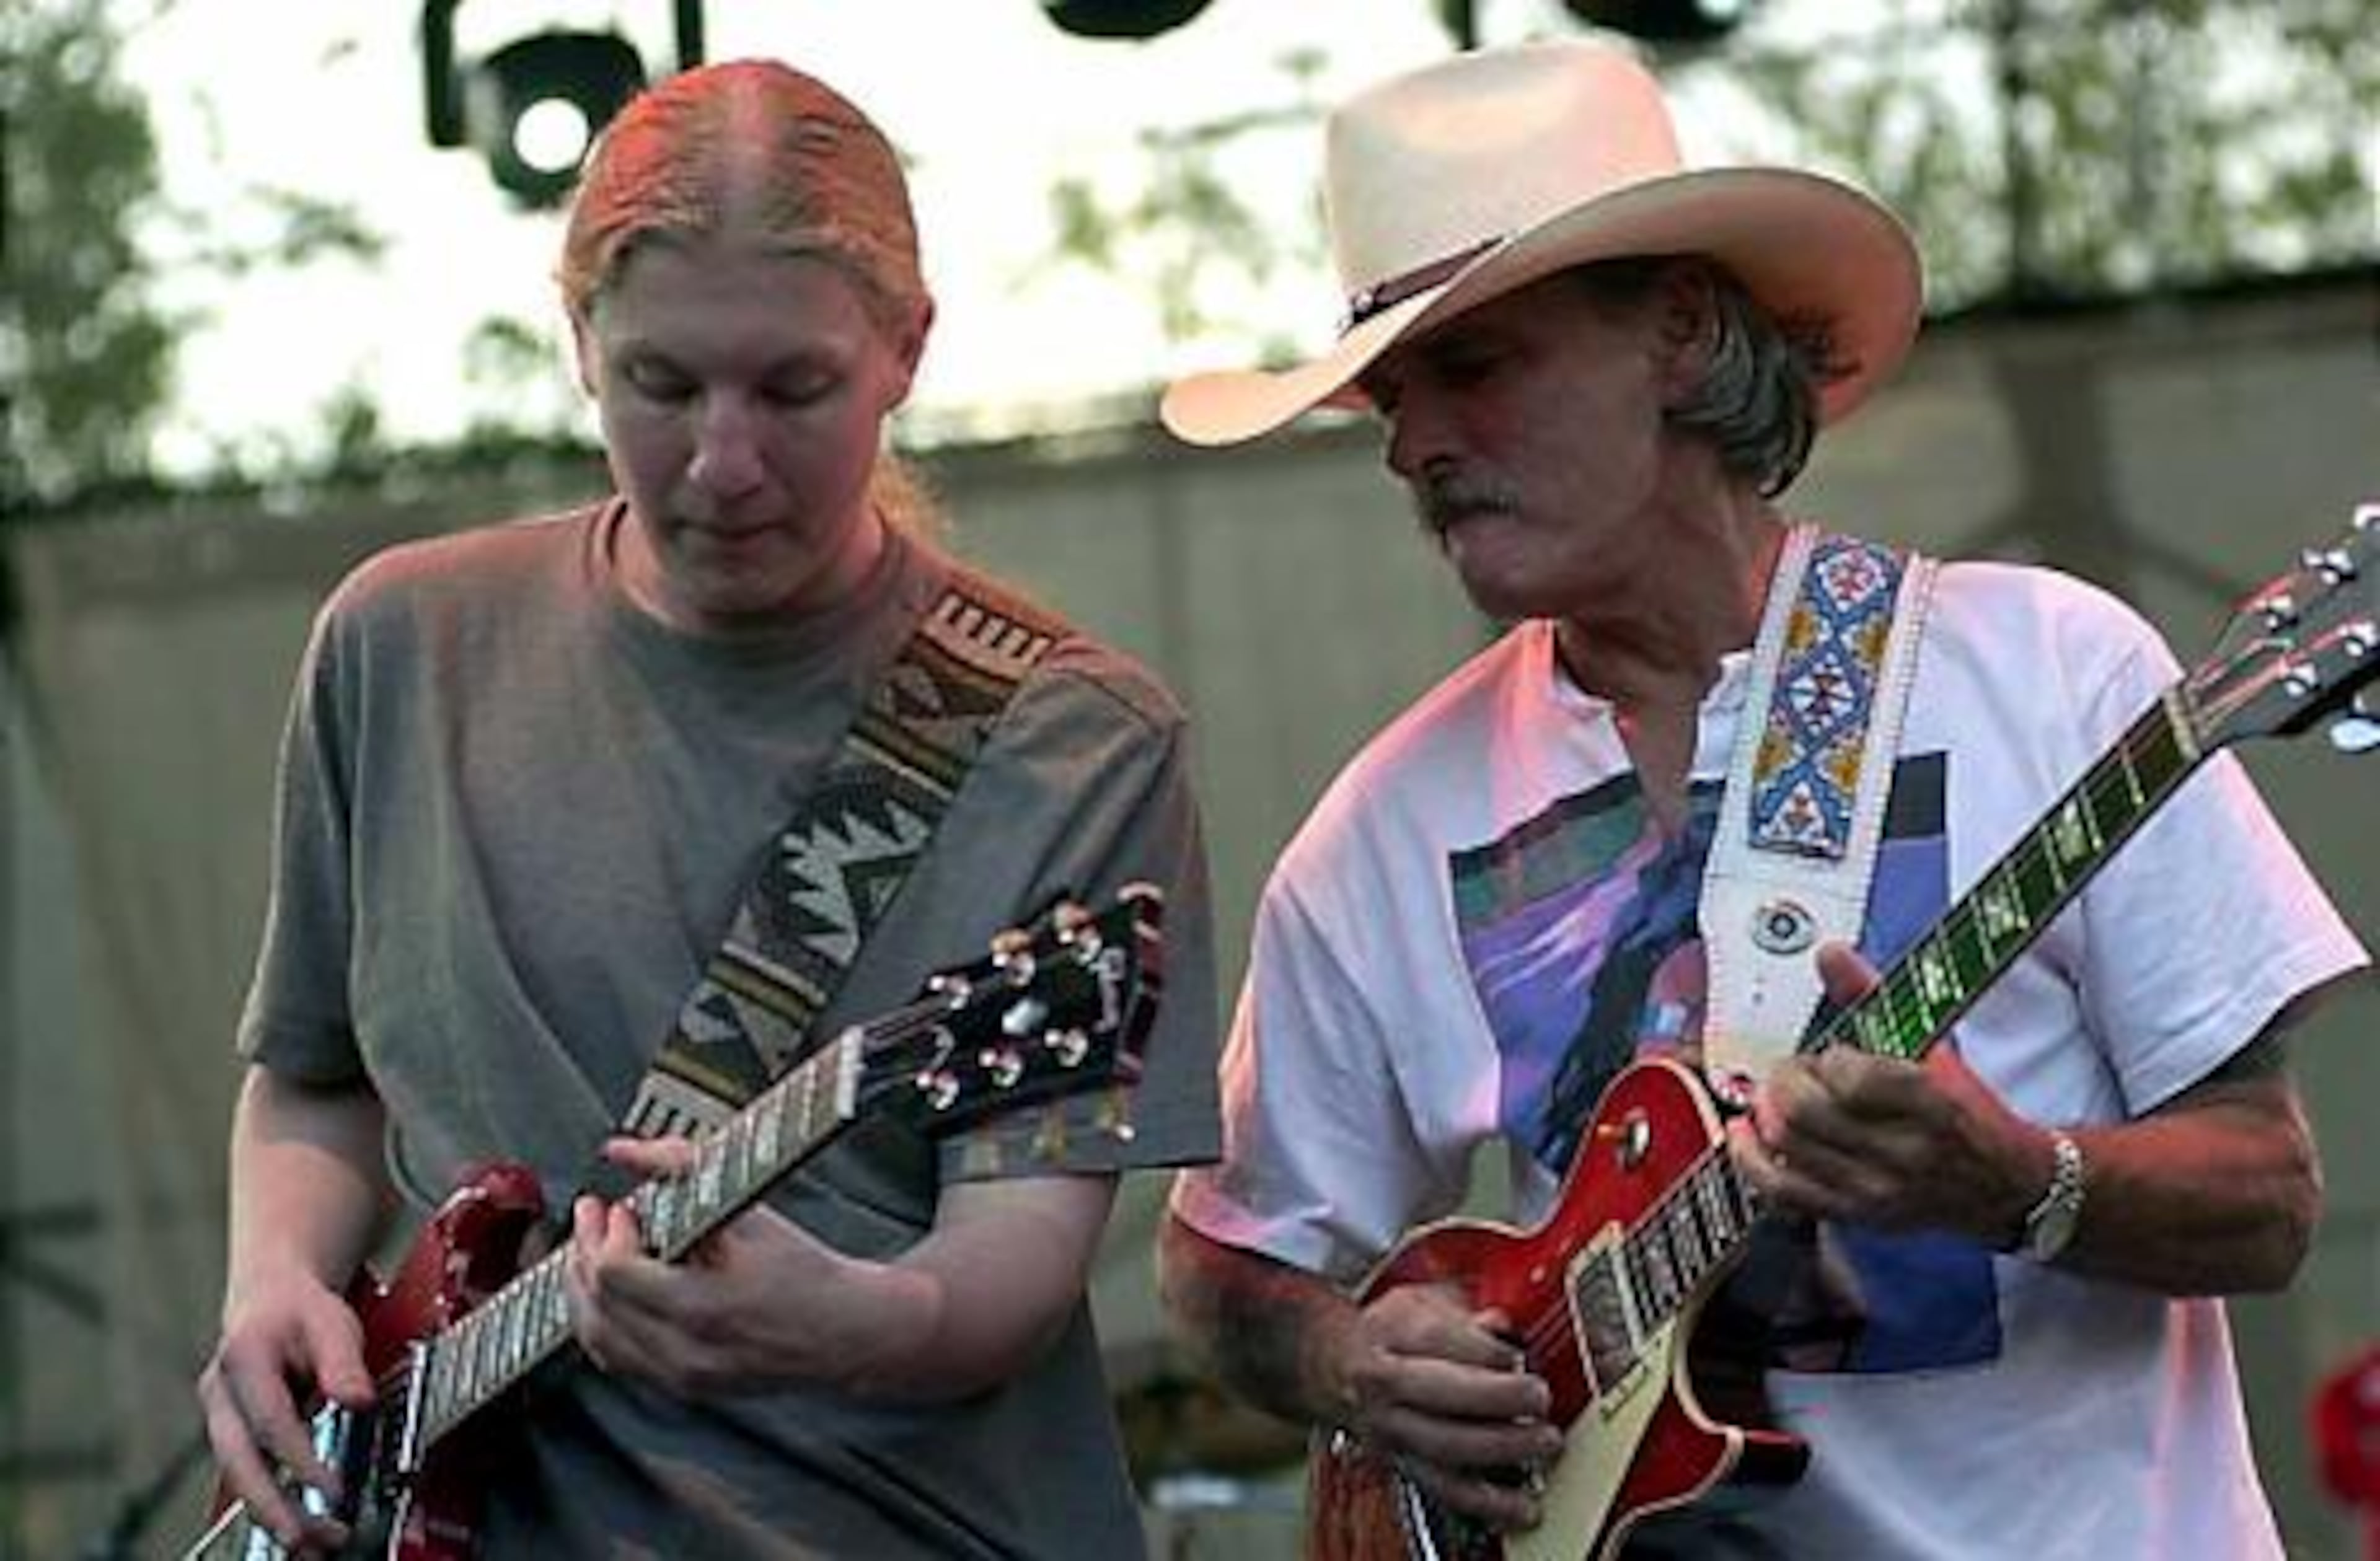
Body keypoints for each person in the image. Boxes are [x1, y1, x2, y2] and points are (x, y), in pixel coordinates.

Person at [1155, 36, 2369, 1560]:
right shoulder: (1383, 832)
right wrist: (1346, 1361)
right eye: (1392, 394)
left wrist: (2019, 1183)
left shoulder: (2048, 668)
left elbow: (2267, 1196)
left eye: (1473, 365)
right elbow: (1221, 1267)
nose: (1414, 444)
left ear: (1673, 330)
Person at [193, 58, 1218, 1560]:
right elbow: (314, 1075)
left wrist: (855, 1322)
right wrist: (273, 1273)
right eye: (660, 385)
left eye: (794, 388)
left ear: (907, 350)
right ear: (577, 341)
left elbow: (1015, 1260)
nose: (724, 463)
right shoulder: (397, 647)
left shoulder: (1074, 742)